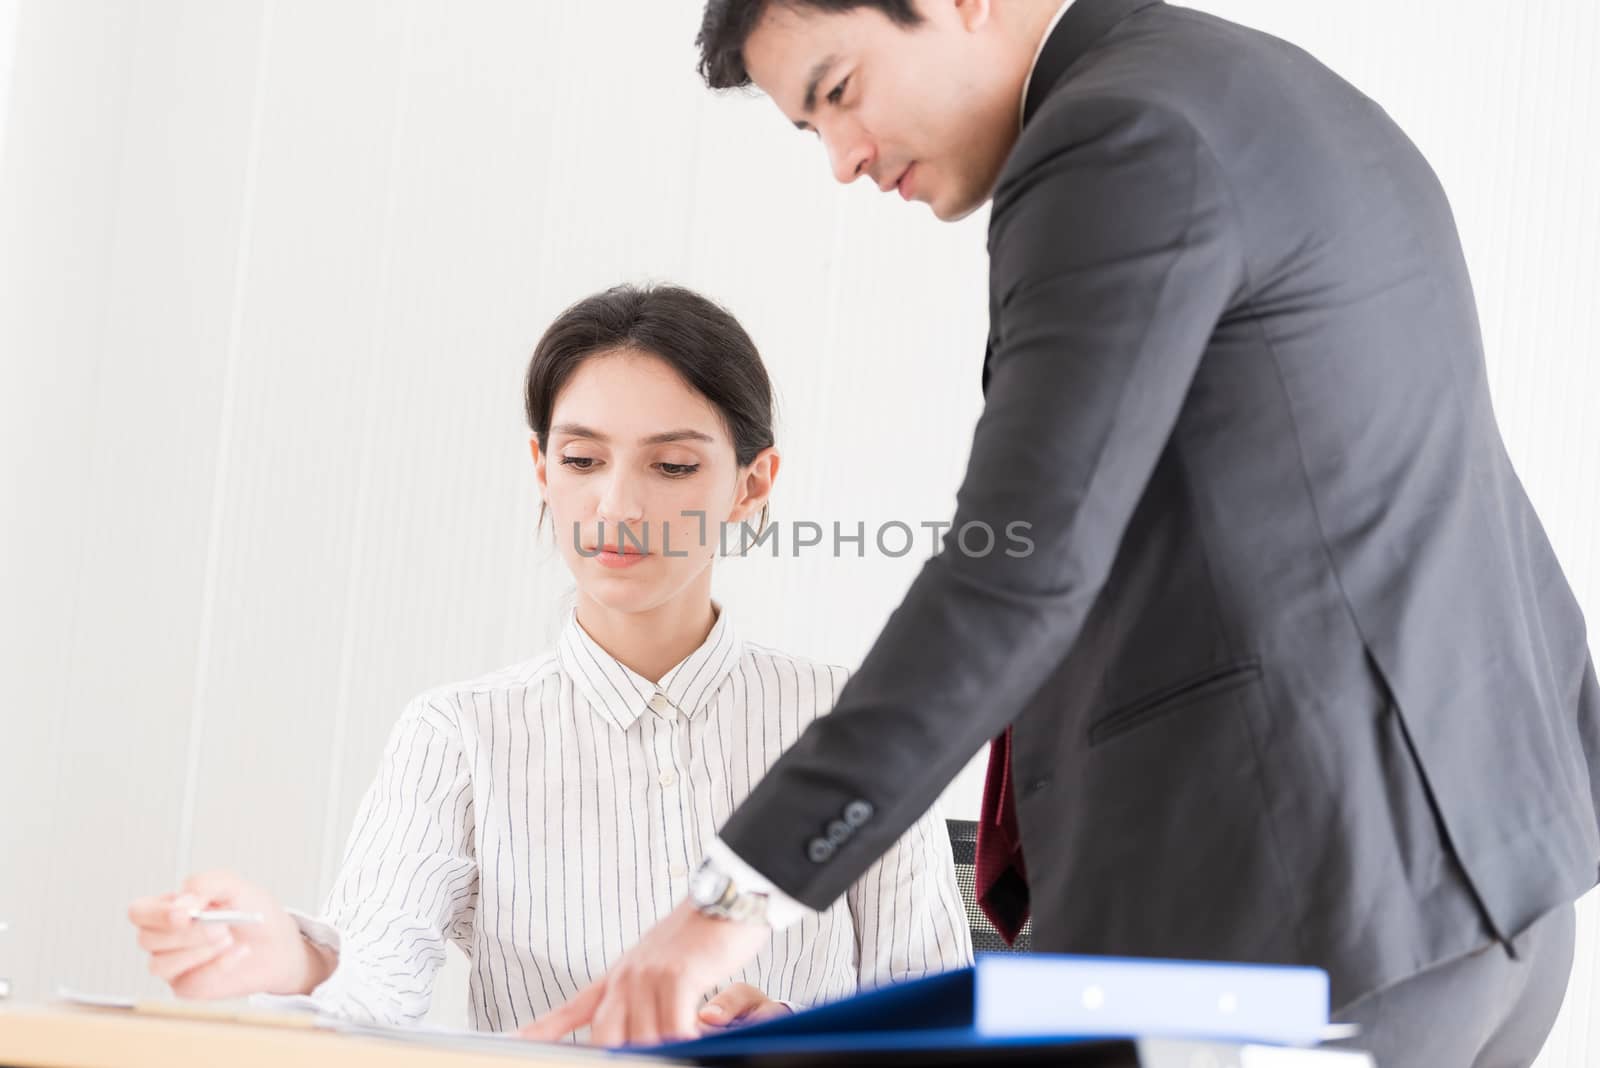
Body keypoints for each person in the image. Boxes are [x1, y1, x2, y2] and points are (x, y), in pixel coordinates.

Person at [524, 2, 1600, 1063]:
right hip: (1484, 890)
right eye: (811, 131)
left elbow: (1016, 570)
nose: (844, 161)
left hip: (1312, 923)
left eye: (840, 92)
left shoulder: (1114, 135)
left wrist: (727, 902)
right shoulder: (1271, 92)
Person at [126, 283, 972, 1035]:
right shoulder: (460, 734)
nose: (617, 504)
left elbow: (934, 1017)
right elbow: (378, 979)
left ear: (752, 485)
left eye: (672, 465)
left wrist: (791, 1035)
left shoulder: (853, 724)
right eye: (580, 460)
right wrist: (291, 960)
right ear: (541, 469)